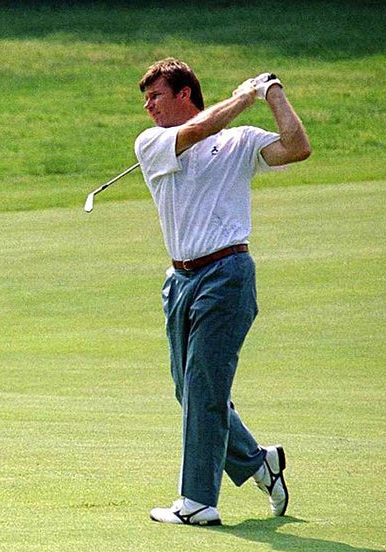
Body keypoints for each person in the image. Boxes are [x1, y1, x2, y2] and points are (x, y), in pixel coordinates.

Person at [133, 58, 311, 526]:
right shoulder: (151, 143)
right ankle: (258, 462)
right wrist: (245, 97)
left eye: (156, 96)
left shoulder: (240, 141)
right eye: (146, 99)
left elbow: (297, 147)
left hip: (227, 274)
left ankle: (198, 502)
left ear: (184, 94)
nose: (149, 107)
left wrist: (272, 92)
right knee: (189, 390)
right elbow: (199, 130)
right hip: (179, 281)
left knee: (204, 388)